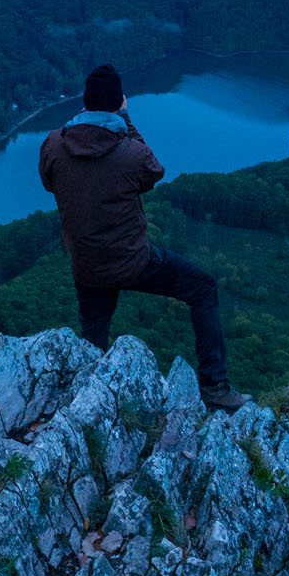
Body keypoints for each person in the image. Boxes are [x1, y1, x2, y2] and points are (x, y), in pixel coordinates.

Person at [39, 65, 245, 410]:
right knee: (204, 287)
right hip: (133, 261)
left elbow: (50, 183)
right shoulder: (131, 154)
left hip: (85, 263)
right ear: (118, 102)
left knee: (93, 336)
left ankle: (88, 402)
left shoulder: (53, 144)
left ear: (85, 102)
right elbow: (153, 172)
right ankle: (215, 387)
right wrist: (126, 119)